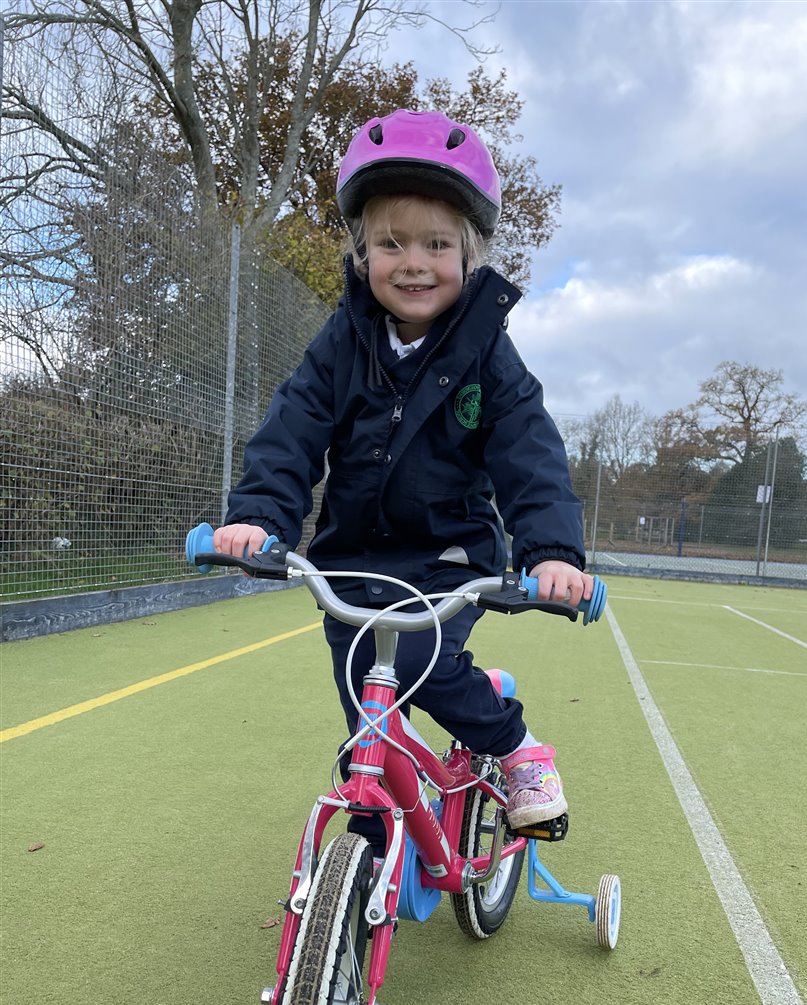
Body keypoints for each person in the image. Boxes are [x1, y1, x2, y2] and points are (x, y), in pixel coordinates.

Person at [214, 108, 592, 833]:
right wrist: (259, 517)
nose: (413, 262)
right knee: (363, 701)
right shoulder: (341, 344)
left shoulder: (488, 356)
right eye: (391, 243)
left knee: (420, 658)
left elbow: (528, 452)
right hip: (353, 559)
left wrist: (550, 553)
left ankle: (515, 746)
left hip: (448, 558)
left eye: (436, 244)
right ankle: (374, 835)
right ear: (363, 255)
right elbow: (292, 429)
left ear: (469, 255)